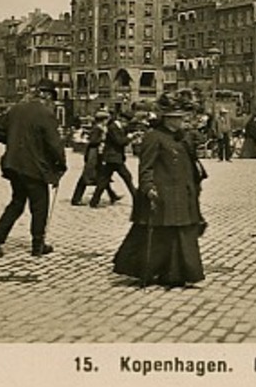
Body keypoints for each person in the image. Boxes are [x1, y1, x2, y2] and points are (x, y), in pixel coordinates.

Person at [113, 96, 206, 287]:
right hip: (163, 192)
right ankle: (148, 269)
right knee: (159, 234)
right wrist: (148, 187)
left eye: (182, 117)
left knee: (181, 232)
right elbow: (145, 167)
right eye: (177, 118)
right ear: (167, 119)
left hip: (183, 192)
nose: (182, 121)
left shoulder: (183, 137)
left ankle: (177, 273)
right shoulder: (154, 137)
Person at [0, 79, 68, 258]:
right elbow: (55, 145)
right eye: (51, 99)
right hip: (35, 167)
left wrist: (15, 142)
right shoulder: (46, 114)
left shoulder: (15, 109)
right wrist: (61, 165)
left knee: (17, 202)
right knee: (40, 205)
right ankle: (38, 245)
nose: (51, 103)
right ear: (46, 95)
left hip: (13, 165)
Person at [70, 111, 106, 206]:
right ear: (103, 120)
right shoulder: (97, 129)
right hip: (93, 155)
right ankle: (76, 198)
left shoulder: (98, 128)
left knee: (101, 176)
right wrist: (102, 139)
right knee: (87, 177)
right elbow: (93, 141)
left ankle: (109, 195)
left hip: (96, 155)